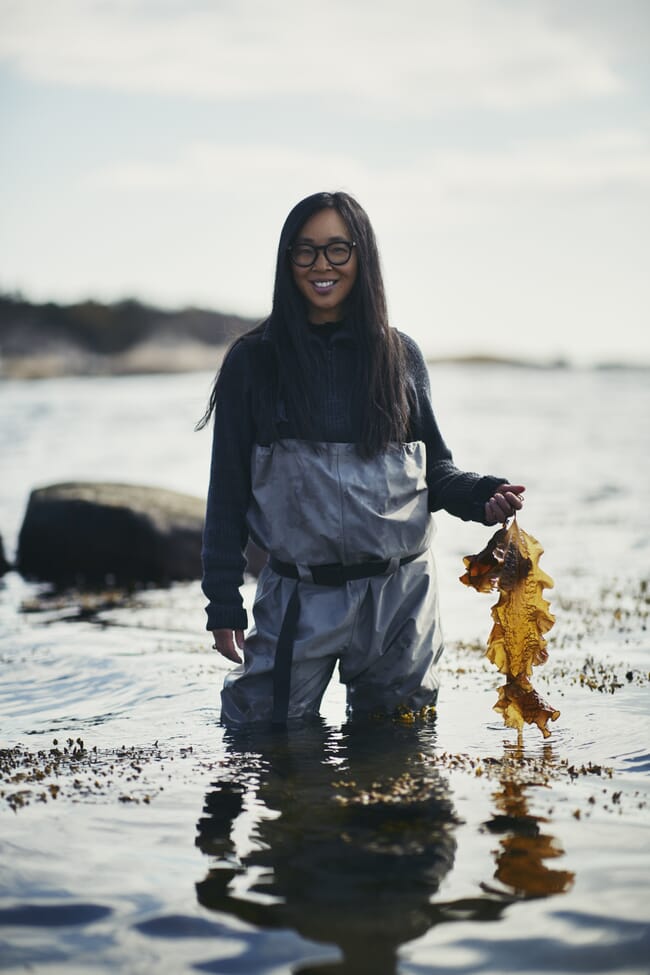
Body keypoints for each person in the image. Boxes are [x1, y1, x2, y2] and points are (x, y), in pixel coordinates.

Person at [199, 191, 524, 727]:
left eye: (337, 250)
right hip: (298, 596)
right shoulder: (254, 362)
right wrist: (223, 603)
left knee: (398, 750)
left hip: (399, 600)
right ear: (287, 261)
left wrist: (480, 495)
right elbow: (227, 494)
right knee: (262, 737)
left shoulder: (399, 357)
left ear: (362, 258)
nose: (321, 266)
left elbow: (435, 471)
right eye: (305, 252)